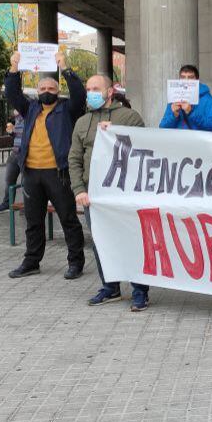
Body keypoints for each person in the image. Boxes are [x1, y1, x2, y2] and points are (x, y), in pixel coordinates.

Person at [68, 75, 150, 310]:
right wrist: (79, 189)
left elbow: (145, 148)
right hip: (93, 196)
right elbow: (74, 159)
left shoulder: (129, 117)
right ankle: (110, 287)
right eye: (88, 89)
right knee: (101, 242)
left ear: (110, 91)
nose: (91, 93)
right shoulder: (82, 122)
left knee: (132, 241)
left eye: (96, 88)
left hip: (124, 194)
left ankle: (140, 290)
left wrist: (118, 132)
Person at [4, 49, 86, 280]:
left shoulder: (67, 109)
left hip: (58, 173)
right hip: (31, 173)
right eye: (43, 89)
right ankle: (31, 262)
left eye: (51, 88)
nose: (47, 92)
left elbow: (79, 94)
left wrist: (65, 68)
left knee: (68, 219)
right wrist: (14, 68)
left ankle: (75, 263)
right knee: (33, 221)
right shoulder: (30, 108)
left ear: (58, 91)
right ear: (38, 92)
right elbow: (12, 93)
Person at [159, 64, 212, 132]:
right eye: (183, 77)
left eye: (190, 77)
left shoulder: (207, 99)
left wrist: (191, 112)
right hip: (178, 138)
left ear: (197, 80)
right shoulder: (174, 99)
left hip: (198, 139)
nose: (186, 81)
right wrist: (174, 115)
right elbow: (162, 127)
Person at [0, 112, 24, 212]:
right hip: (15, 152)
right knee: (9, 179)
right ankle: (7, 204)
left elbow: (30, 134)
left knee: (26, 181)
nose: (14, 111)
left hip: (26, 153)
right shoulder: (18, 118)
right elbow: (17, 136)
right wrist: (12, 132)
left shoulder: (29, 114)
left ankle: (28, 205)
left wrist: (15, 130)